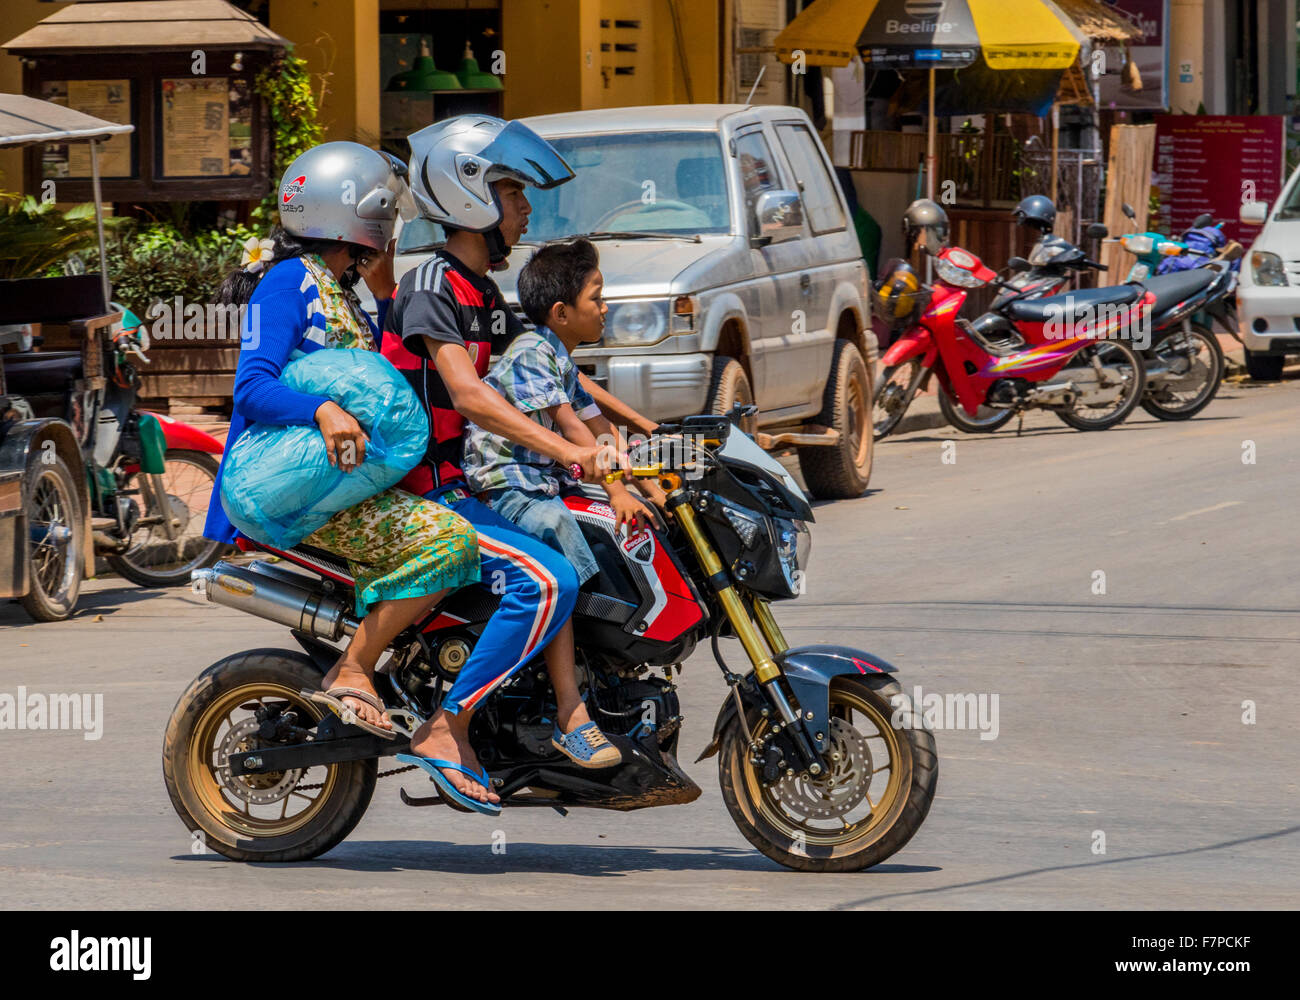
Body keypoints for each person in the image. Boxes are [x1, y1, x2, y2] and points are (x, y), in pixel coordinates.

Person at [382, 116, 661, 813]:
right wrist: (572, 451)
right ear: (469, 194)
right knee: (546, 580)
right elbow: (470, 397)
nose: (526, 208)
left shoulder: (482, 294)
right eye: (512, 193)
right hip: (430, 489)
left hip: (465, 484)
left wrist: (642, 430)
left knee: (577, 535)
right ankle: (451, 725)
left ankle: (569, 705)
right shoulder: (432, 287)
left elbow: (562, 372)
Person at [204, 141, 480, 741]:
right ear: (360, 214)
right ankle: (353, 670)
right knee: (452, 543)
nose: (395, 227)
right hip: (302, 488)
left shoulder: (343, 293)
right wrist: (322, 409)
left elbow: (382, 384)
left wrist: (383, 295)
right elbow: (252, 389)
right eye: (387, 214)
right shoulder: (286, 285)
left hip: (345, 479)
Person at [462, 237, 662, 769]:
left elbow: (601, 428)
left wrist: (657, 484)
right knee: (562, 548)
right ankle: (569, 713)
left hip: (542, 482)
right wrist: (617, 488)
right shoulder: (532, 352)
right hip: (505, 487)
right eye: (597, 297)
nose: (605, 307)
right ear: (561, 311)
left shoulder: (561, 358)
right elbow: (578, 437)